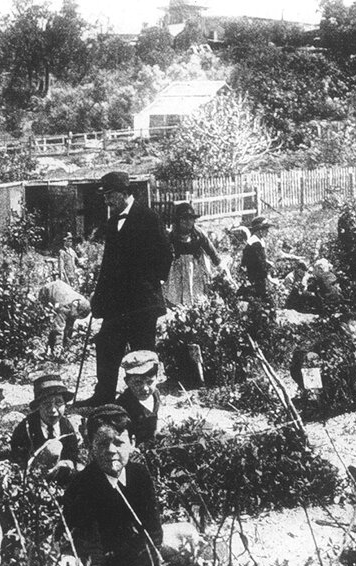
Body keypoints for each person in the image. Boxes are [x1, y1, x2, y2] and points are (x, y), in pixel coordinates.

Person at [62, 406, 163, 566]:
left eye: (118, 442)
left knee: (186, 534)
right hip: (96, 560)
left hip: (131, 553)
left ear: (132, 443)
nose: (110, 450)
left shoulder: (139, 475)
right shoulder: (82, 485)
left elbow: (153, 532)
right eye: (102, 443)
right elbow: (90, 545)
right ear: (91, 446)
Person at [84, 171, 172, 406]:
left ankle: (144, 398)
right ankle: (103, 396)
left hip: (142, 302)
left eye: (110, 195)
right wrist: (99, 297)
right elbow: (108, 266)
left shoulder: (148, 217)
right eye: (105, 196)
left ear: (124, 193)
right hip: (117, 304)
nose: (106, 200)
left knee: (143, 351)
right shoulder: (113, 222)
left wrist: (152, 282)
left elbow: (166, 253)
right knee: (106, 345)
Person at [9, 374, 81, 479]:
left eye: (58, 403)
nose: (52, 410)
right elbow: (17, 455)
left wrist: (68, 463)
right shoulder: (26, 428)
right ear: (38, 406)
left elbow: (73, 454)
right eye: (47, 404)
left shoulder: (67, 427)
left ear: (65, 404)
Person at [163, 202, 221, 307]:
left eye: (191, 219)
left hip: (195, 269)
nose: (188, 222)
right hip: (178, 271)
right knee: (178, 299)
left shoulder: (198, 234)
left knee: (197, 296)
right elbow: (165, 255)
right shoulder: (172, 236)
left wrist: (218, 262)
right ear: (178, 221)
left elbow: (210, 249)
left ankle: (195, 312)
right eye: (184, 219)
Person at [114, 350, 161, 447]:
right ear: (127, 382)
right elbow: (119, 438)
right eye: (137, 383)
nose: (145, 388)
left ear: (157, 378)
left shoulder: (155, 394)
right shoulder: (122, 406)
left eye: (149, 382)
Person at [35, 277, 91, 358]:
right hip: (47, 292)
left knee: (69, 320)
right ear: (75, 305)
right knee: (47, 321)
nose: (76, 318)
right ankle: (48, 345)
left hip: (61, 289)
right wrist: (58, 346)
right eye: (77, 316)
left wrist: (68, 339)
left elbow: (70, 323)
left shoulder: (80, 301)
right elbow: (58, 328)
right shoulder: (64, 307)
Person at [240, 216, 274, 300]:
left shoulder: (256, 242)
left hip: (254, 277)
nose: (268, 231)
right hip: (256, 279)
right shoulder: (255, 244)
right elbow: (260, 264)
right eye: (265, 229)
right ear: (259, 230)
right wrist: (268, 277)